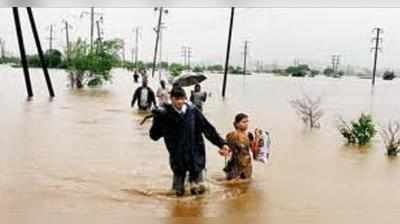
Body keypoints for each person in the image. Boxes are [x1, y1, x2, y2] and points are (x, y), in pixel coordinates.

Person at [149, 86, 230, 197]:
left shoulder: (193, 111)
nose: (179, 102)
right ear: (171, 99)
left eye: (182, 98)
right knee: (177, 193)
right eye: (176, 99)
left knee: (199, 190)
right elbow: (154, 136)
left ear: (186, 98)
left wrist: (222, 144)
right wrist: (157, 120)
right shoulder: (165, 115)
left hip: (195, 155)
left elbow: (208, 129)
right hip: (177, 157)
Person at [223, 113, 254, 180]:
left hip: (247, 165)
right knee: (233, 185)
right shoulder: (232, 135)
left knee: (246, 185)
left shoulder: (249, 135)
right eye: (243, 122)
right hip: (236, 165)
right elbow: (227, 150)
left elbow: (254, 151)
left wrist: (257, 139)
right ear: (237, 124)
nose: (246, 124)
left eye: (247, 121)